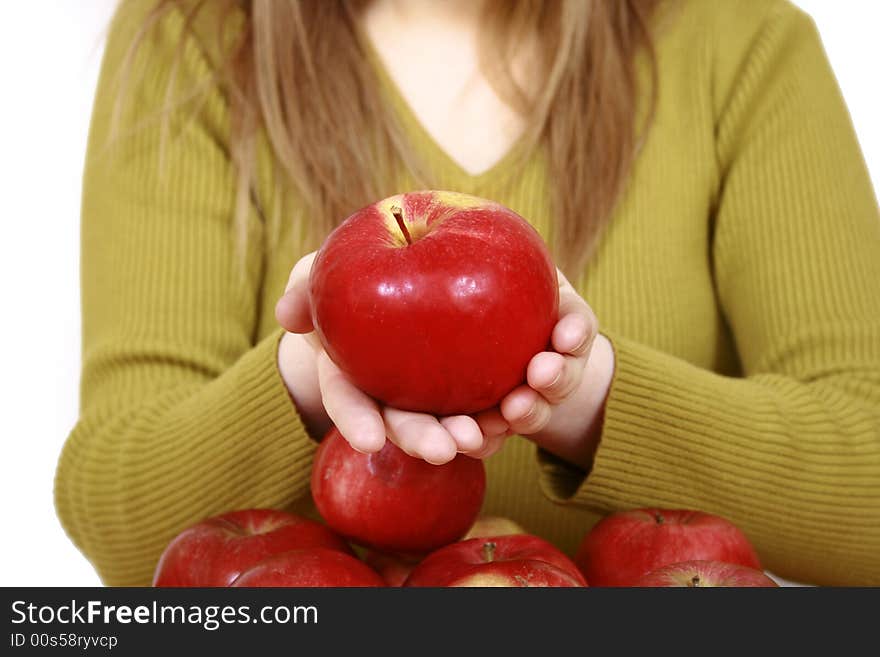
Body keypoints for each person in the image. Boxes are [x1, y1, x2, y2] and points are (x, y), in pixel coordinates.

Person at [55, 0, 880, 587]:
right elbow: (116, 519)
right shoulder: (192, 42)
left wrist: (579, 391)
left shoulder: (744, 42)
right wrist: (313, 374)